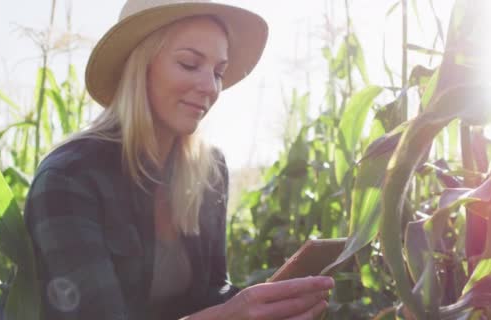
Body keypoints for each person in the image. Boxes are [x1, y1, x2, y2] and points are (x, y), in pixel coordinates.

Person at [23, 0, 335, 319]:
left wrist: (272, 304)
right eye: (188, 64)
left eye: (218, 73)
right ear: (139, 66)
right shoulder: (69, 178)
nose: (210, 87)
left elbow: (213, 292)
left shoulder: (209, 170)